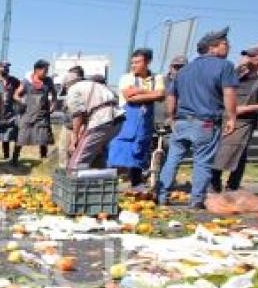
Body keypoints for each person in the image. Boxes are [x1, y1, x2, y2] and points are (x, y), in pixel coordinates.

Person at [157, 27, 239, 208]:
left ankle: (161, 196)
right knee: (202, 162)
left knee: (172, 159)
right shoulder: (225, 66)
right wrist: (232, 117)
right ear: (212, 48)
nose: (229, 47)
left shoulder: (184, 70)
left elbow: (171, 96)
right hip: (205, 123)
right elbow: (229, 93)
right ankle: (196, 201)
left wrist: (171, 117)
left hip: (181, 122)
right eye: (225, 44)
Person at [211, 42, 258, 192]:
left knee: (231, 151)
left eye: (252, 54)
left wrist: (248, 108)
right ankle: (218, 185)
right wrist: (237, 68)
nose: (248, 57)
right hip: (225, 116)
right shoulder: (240, 72)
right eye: (246, 54)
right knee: (224, 151)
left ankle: (230, 187)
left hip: (245, 119)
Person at [108, 48, 166, 187]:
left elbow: (160, 95)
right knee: (118, 151)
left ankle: (136, 183)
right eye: (132, 62)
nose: (133, 65)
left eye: (137, 62)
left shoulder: (157, 78)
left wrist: (139, 90)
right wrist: (151, 93)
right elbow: (129, 98)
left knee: (139, 150)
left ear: (148, 62)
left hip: (144, 122)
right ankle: (110, 183)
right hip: (127, 121)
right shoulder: (126, 78)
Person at [63, 68, 124, 169]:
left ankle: (74, 181)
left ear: (67, 84)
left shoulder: (73, 89)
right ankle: (96, 179)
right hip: (118, 120)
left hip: (102, 120)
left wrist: (74, 136)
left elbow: (78, 114)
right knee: (96, 153)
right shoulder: (96, 85)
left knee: (77, 160)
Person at [13, 59, 57, 166]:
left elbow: (54, 94)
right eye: (44, 70)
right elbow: (16, 95)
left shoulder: (48, 81)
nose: (46, 73)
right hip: (28, 114)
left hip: (43, 114)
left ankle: (43, 160)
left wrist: (53, 105)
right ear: (37, 70)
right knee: (22, 137)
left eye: (47, 70)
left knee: (43, 138)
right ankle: (14, 158)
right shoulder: (26, 81)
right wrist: (21, 102)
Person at [0, 61, 20, 161]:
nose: (6, 69)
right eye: (4, 67)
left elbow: (21, 90)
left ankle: (15, 157)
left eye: (7, 67)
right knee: (2, 135)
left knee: (16, 134)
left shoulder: (14, 80)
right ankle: (5, 155)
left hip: (12, 112)